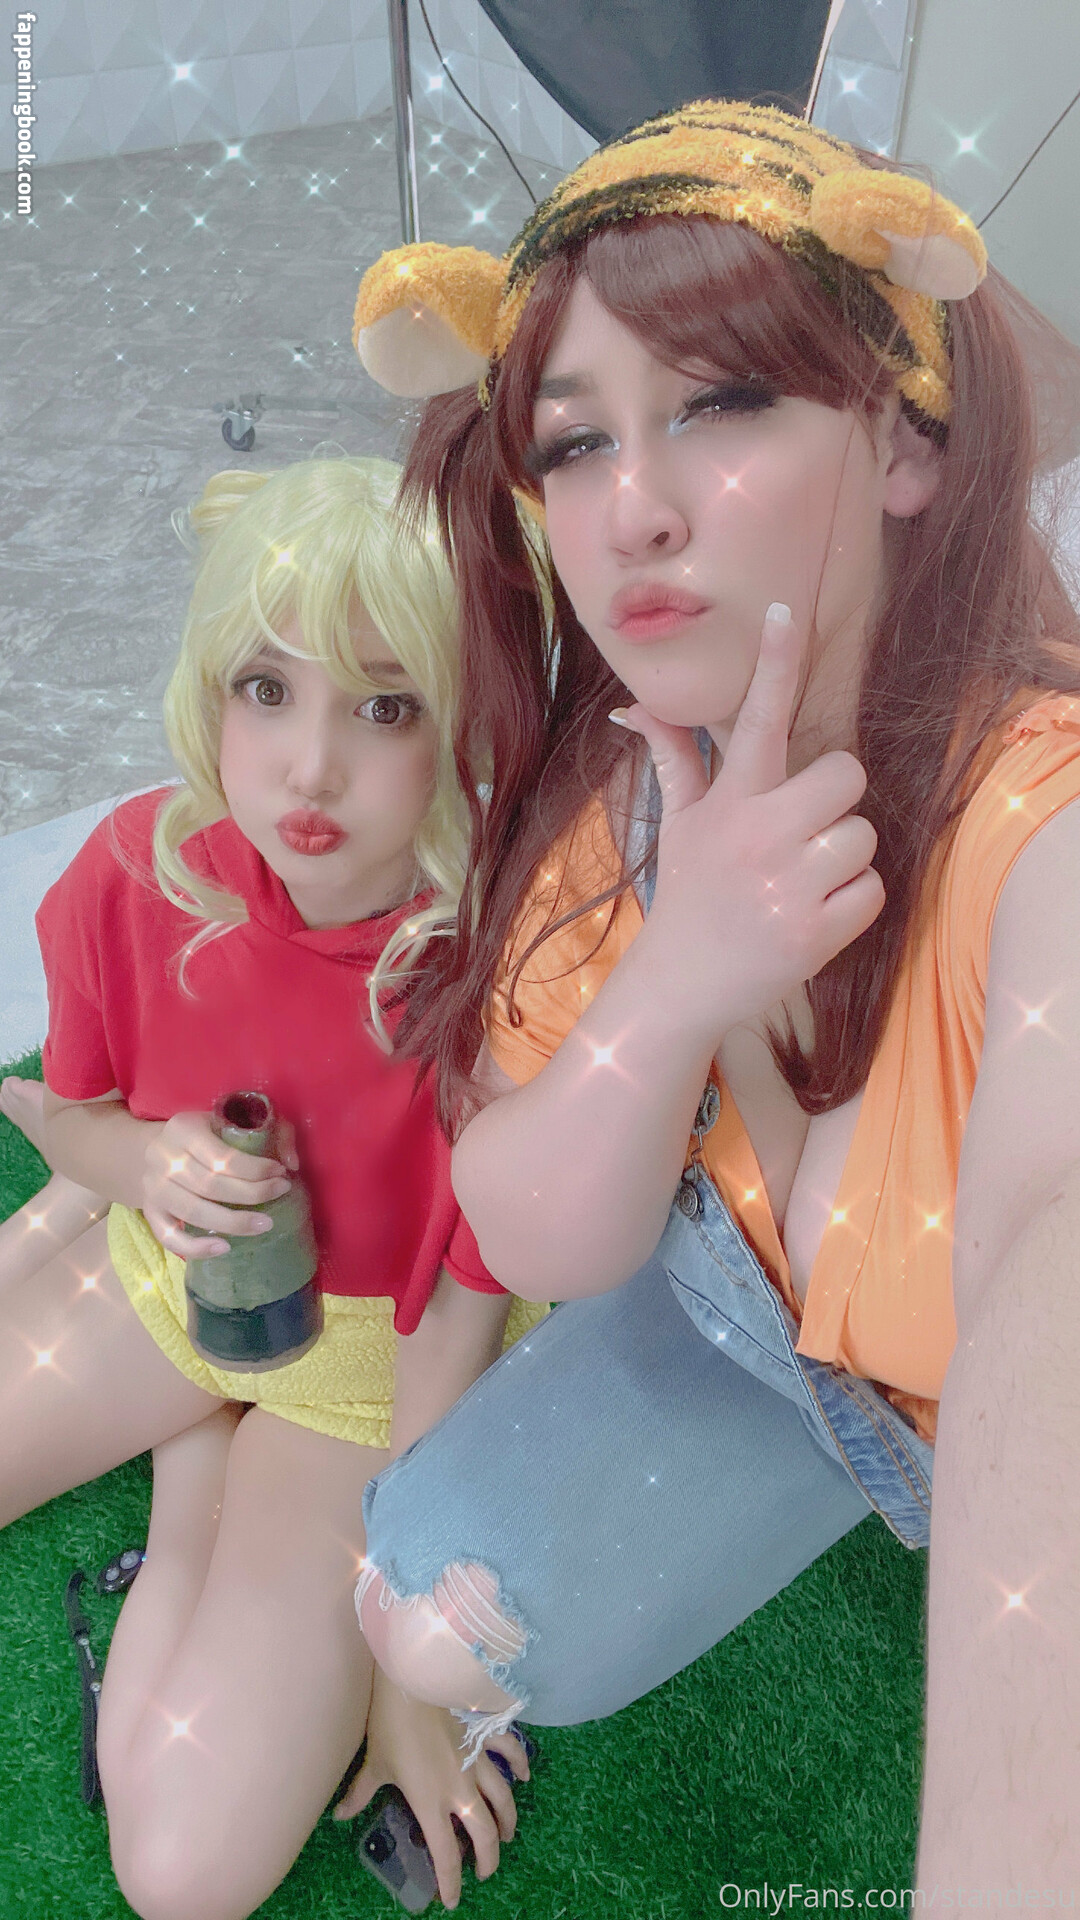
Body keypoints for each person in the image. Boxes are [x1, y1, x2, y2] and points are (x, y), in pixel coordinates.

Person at [338, 103, 1080, 1882]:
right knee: (427, 1614)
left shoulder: (1043, 822)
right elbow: (531, 1231)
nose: (634, 510)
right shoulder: (618, 803)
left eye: (724, 403)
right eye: (576, 443)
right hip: (750, 1332)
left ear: (905, 441)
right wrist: (677, 988)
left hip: (951, 1387)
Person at [0, 454, 543, 1918]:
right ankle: (178, 1391)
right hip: (173, 1274)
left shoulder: (498, 967)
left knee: (183, 1876)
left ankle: (199, 1465)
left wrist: (407, 1668)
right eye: (266, 688)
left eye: (386, 706)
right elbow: (79, 1112)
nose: (309, 768)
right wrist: (134, 1165)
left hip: (376, 1376)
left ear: (466, 723)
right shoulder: (135, 870)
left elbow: (463, 1312)